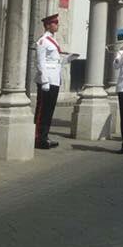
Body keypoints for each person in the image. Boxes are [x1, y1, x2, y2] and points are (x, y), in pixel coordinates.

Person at [34, 13, 78, 149]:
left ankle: (45, 136)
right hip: (46, 80)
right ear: (48, 25)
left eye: (57, 23)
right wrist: (45, 80)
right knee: (42, 110)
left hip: (54, 79)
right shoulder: (43, 41)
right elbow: (40, 62)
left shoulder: (53, 41)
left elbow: (56, 61)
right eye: (55, 23)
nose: (57, 25)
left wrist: (68, 59)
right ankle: (37, 137)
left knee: (50, 110)